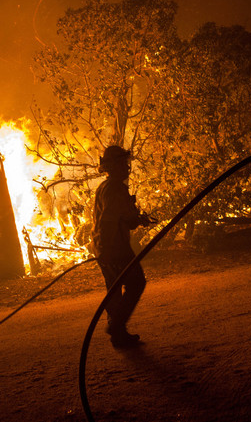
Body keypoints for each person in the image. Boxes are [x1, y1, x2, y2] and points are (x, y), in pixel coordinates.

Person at [90, 145, 153, 348]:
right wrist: (109, 251)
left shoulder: (105, 187)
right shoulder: (115, 188)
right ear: (114, 166)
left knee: (114, 290)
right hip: (114, 247)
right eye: (123, 163)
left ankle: (118, 335)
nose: (126, 166)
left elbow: (121, 218)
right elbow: (108, 221)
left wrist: (138, 219)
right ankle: (116, 326)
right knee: (136, 282)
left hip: (103, 246)